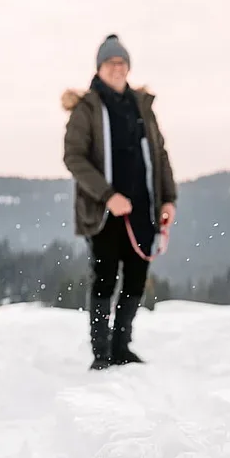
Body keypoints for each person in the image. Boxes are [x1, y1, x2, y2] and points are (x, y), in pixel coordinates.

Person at [61, 33, 178, 370]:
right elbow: (74, 157)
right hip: (103, 212)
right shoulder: (87, 108)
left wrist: (169, 199)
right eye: (111, 62)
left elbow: (160, 154)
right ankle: (101, 353)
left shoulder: (142, 106)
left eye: (122, 62)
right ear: (99, 68)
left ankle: (122, 346)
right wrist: (108, 195)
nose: (118, 68)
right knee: (105, 278)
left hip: (144, 208)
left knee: (137, 278)